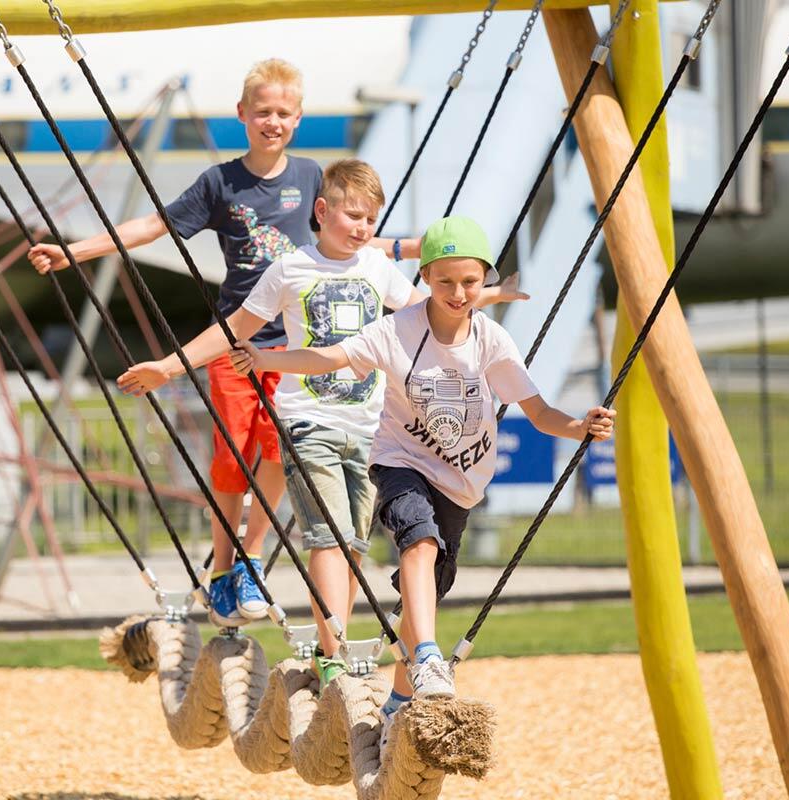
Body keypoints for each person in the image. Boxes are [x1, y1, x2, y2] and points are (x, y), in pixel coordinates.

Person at [27, 60, 418, 627]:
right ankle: (223, 569)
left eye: (283, 112)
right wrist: (75, 251)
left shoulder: (311, 176)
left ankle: (251, 558)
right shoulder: (221, 183)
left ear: (298, 118)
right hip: (240, 338)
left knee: (282, 450)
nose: (272, 121)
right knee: (233, 457)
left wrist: (417, 249)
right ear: (242, 114)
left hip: (298, 347)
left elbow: (352, 235)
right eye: (263, 112)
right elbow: (155, 226)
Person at [118, 164, 525, 679]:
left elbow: (438, 307)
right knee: (328, 537)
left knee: (354, 544)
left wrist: (488, 294)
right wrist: (168, 367)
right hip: (307, 419)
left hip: (370, 429)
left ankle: (334, 649)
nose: (362, 228)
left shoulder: (378, 269)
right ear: (322, 211)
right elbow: (234, 327)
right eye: (353, 216)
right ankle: (333, 655)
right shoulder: (290, 269)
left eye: (371, 220)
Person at [228, 215, 615, 724]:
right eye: (445, 281)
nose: (458, 293)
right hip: (401, 461)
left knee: (428, 588)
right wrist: (265, 359)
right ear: (425, 277)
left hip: (461, 481)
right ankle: (429, 657)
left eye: (470, 282)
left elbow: (539, 413)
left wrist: (580, 426)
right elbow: (329, 357)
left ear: (484, 281)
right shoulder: (397, 330)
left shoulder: (491, 340)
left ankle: (399, 698)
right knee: (419, 541)